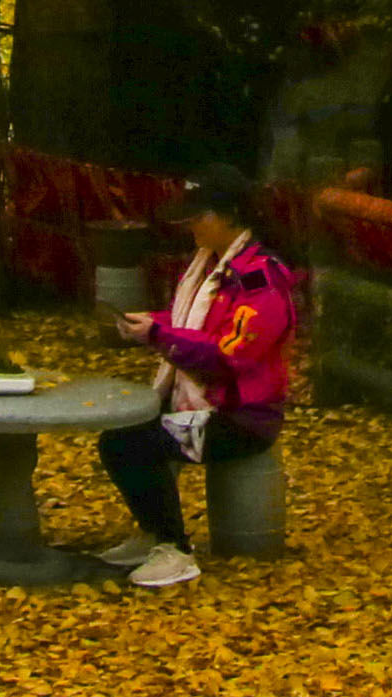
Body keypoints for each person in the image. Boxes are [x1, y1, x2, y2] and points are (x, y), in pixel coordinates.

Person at [92, 171, 296, 592]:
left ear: (229, 216)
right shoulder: (210, 268)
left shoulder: (261, 279)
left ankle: (173, 548)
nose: (190, 226)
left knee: (130, 443)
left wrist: (158, 335)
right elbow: (192, 325)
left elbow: (229, 354)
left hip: (240, 418)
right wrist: (152, 323)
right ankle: (154, 534)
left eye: (198, 215)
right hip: (207, 406)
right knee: (123, 433)